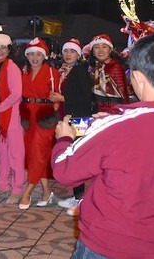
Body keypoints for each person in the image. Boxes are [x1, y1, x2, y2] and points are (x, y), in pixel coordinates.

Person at [52, 33, 154, 259]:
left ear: (137, 77)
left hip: (106, 246)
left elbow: (65, 171)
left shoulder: (115, 127)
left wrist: (64, 138)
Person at [49, 38, 94, 215]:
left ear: (79, 55)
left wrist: (62, 99)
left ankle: (80, 199)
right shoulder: (65, 71)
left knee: (77, 156)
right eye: (66, 51)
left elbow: (86, 98)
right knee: (74, 155)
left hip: (79, 119)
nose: (68, 55)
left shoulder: (80, 71)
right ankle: (78, 196)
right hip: (69, 117)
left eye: (72, 52)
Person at [18, 38, 61, 210]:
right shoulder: (24, 72)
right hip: (28, 115)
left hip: (45, 115)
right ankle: (46, 192)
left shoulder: (52, 73)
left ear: (44, 56)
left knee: (38, 152)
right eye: (31, 54)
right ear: (26, 56)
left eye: (38, 54)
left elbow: (59, 94)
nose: (34, 58)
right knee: (35, 154)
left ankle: (27, 191)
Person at [0, 33, 24, 204]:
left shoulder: (12, 67)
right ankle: (3, 185)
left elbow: (16, 94)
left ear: (9, 49)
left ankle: (17, 188)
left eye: (3, 47)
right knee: (2, 155)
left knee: (16, 155)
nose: (0, 51)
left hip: (11, 118)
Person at [87, 34, 130, 113]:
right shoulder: (95, 68)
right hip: (99, 112)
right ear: (93, 52)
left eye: (104, 47)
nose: (100, 50)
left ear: (110, 50)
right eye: (96, 47)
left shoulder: (115, 67)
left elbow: (123, 93)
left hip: (114, 113)